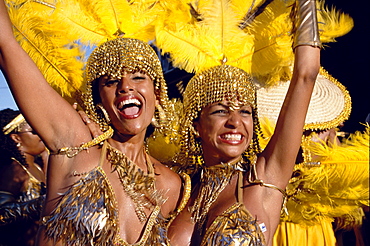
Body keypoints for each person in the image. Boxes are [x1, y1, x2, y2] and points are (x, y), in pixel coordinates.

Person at [0, 1, 190, 245]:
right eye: (110, 82)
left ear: (158, 93)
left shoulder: (171, 184)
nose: (125, 86)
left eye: (138, 77)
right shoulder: (76, 145)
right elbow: (6, 46)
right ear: (98, 98)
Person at [164, 0, 321, 245]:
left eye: (245, 112)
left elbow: (306, 75)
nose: (235, 122)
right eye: (220, 111)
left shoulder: (264, 179)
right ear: (196, 126)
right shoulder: (177, 189)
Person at [0, 109, 47, 246]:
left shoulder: (38, 166)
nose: (41, 135)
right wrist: (42, 204)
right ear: (16, 138)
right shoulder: (13, 169)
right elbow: (2, 212)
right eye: (34, 131)